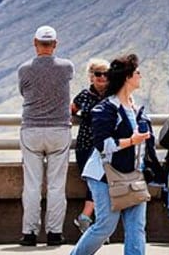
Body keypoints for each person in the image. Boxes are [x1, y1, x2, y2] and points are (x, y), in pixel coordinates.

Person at [70, 54, 160, 255]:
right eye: (137, 72)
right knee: (106, 225)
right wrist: (132, 141)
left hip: (133, 175)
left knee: (136, 227)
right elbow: (103, 144)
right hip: (104, 175)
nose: (140, 75)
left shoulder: (136, 108)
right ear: (127, 77)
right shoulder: (106, 108)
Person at [18, 25, 75, 247]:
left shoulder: (24, 69)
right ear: (55, 44)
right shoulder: (66, 67)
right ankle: (54, 233)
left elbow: (23, 92)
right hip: (59, 130)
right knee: (56, 185)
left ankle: (29, 233)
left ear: (35, 43)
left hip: (31, 129)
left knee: (32, 185)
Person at [71, 58, 110, 234]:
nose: (102, 77)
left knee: (101, 182)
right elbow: (70, 110)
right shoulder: (84, 96)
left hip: (105, 146)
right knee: (92, 182)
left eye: (106, 74)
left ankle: (87, 219)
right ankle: (93, 224)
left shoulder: (114, 95)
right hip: (85, 145)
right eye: (98, 74)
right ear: (91, 76)